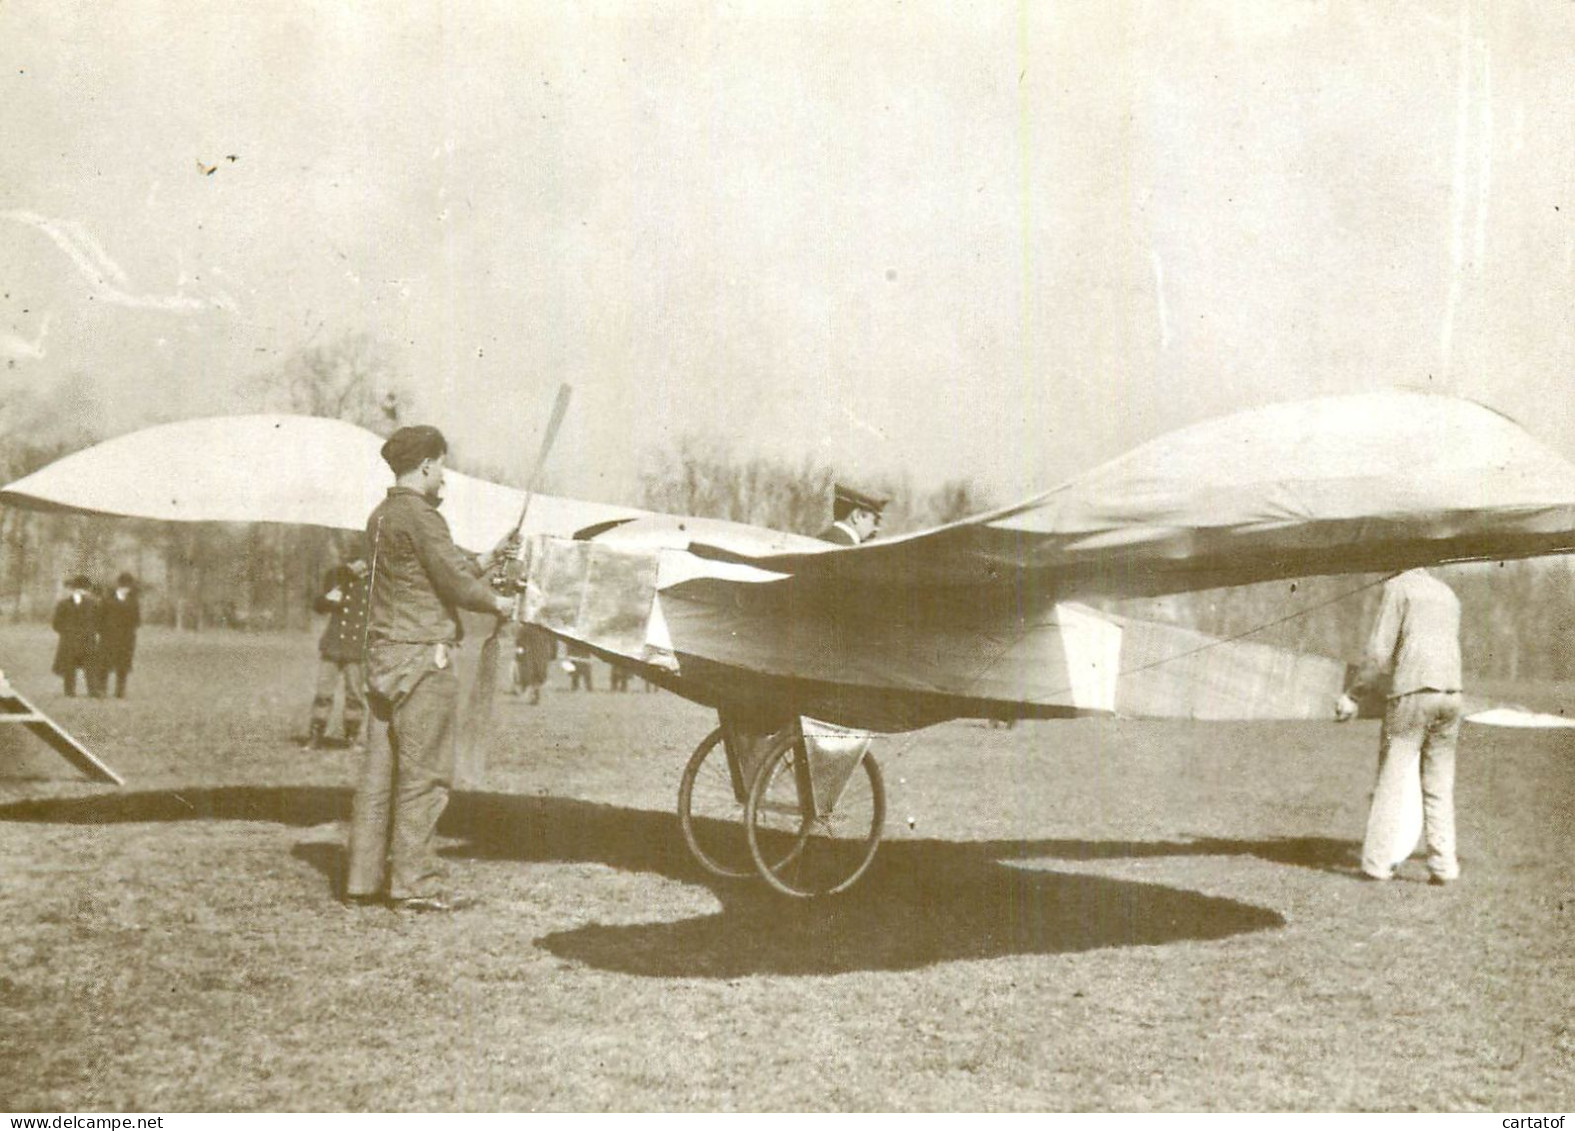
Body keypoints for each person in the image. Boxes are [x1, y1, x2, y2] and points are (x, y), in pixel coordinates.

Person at [344, 425, 518, 913]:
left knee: (379, 776)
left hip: (381, 659)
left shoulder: (381, 517)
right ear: (426, 465)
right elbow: (457, 586)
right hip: (423, 659)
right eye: (441, 464)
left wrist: (489, 557)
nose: (444, 475)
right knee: (425, 775)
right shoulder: (422, 517)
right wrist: (501, 603)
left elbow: (436, 571)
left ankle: (362, 879)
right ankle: (415, 882)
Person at [1335, 567, 1464, 885]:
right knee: (1439, 785)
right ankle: (1444, 865)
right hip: (1452, 694)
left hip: (1414, 693)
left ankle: (1377, 864)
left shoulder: (1398, 588)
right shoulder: (1447, 593)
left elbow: (1379, 654)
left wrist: (1353, 694)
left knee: (1391, 781)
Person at [304, 552, 370, 749]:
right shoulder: (337, 577)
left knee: (355, 696)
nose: (358, 566)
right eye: (353, 562)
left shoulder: (375, 583)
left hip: (358, 647)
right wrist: (331, 599)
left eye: (362, 561)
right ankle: (316, 735)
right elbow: (319, 605)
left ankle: (352, 736)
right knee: (323, 693)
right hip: (333, 645)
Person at [51, 575, 101, 698]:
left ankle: (87, 691)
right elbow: (56, 623)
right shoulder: (64, 604)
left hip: (82, 639)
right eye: (79, 589)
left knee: (87, 666)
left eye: (81, 589)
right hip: (76, 640)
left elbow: (99, 621)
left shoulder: (93, 603)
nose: (80, 591)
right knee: (73, 666)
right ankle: (74, 691)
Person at [98, 572, 141, 699]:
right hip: (108, 637)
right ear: (118, 586)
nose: (126, 589)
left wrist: (130, 631)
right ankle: (102, 689)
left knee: (123, 664)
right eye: (123, 586)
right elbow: (99, 618)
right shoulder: (107, 600)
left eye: (128, 587)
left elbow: (137, 620)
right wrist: (103, 632)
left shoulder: (133, 602)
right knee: (105, 663)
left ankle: (120, 690)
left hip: (126, 638)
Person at [817, 483, 888, 546]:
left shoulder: (817, 541)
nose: (876, 529)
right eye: (875, 521)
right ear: (856, 516)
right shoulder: (853, 552)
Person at [510, 623, 556, 705]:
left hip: (540, 654)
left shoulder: (546, 629)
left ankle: (534, 693)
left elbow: (553, 641)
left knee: (538, 675)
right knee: (532, 675)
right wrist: (519, 654)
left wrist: (553, 654)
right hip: (531, 654)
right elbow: (519, 642)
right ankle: (533, 693)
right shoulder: (527, 628)